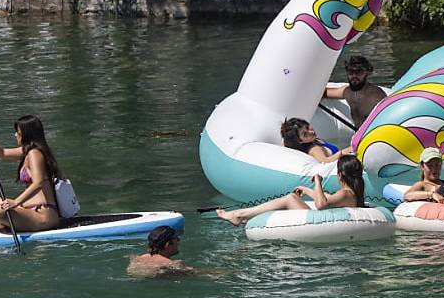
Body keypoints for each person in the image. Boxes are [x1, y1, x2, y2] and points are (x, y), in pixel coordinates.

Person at [0, 114, 64, 232]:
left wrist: (16, 203)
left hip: (43, 214)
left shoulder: (35, 154)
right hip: (29, 211)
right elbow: (1, 153)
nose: (15, 134)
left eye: (18, 132)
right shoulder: (27, 151)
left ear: (27, 134)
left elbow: (38, 183)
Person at [217, 155, 366, 226]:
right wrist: (306, 190)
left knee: (290, 198)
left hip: (318, 224)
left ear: (340, 174)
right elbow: (326, 199)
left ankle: (239, 214)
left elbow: (321, 204)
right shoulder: (352, 193)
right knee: (295, 198)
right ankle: (242, 215)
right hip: (332, 222)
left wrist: (318, 181)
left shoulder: (345, 193)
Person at [324, 55, 387, 126]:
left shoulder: (376, 96)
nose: (354, 76)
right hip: (358, 135)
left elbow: (388, 119)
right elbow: (324, 93)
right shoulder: (347, 92)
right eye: (351, 72)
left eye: (358, 72)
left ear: (367, 73)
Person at [127, 226, 195, 277]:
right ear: (167, 244)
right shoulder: (172, 264)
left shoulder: (138, 258)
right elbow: (198, 274)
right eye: (176, 238)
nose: (179, 240)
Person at [281, 117, 354, 163]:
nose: (311, 132)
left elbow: (284, 142)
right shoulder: (314, 149)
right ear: (300, 141)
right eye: (305, 134)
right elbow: (325, 161)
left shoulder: (314, 140)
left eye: (307, 127)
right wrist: (344, 152)